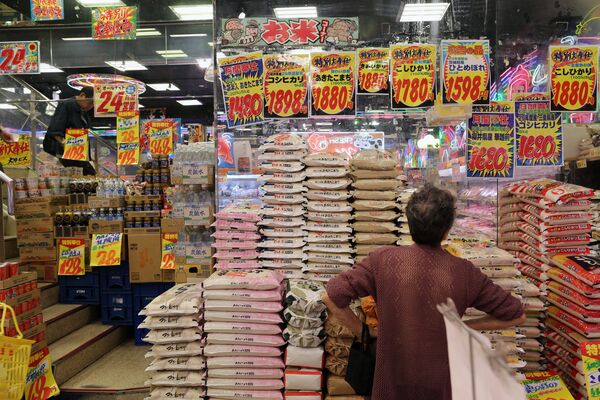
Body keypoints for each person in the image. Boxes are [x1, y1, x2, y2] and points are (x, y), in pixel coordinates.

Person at [323, 184, 525, 400]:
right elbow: (516, 315)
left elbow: (331, 296)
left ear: (410, 224)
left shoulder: (382, 261)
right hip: (442, 388)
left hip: (390, 388)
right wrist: (465, 326)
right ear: (447, 230)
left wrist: (364, 331)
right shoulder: (465, 272)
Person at [43, 87, 96, 175]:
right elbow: (55, 129)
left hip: (76, 151)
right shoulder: (67, 104)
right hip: (68, 152)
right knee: (88, 176)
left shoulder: (80, 110)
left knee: (88, 177)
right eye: (91, 102)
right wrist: (65, 144)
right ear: (82, 95)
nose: (92, 106)